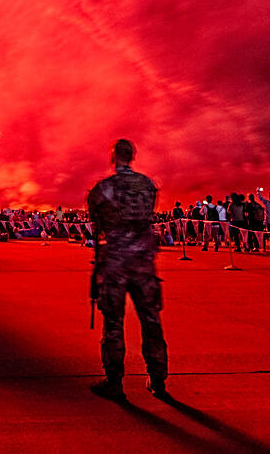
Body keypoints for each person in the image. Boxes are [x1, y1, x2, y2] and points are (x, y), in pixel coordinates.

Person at [87, 139, 168, 401]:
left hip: (117, 261)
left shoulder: (105, 187)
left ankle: (114, 382)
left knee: (113, 322)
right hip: (144, 261)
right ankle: (158, 379)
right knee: (151, 320)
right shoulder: (148, 184)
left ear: (114, 157)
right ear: (132, 156)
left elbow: (95, 216)